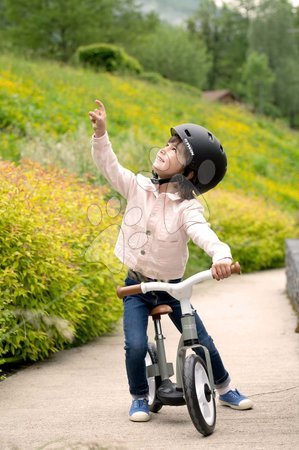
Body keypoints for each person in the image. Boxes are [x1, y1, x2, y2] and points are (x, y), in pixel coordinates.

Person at [89, 99, 253, 422]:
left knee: (201, 339)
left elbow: (202, 232)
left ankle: (224, 387)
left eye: (176, 150)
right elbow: (110, 166)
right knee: (135, 345)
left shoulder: (186, 208)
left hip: (173, 289)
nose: (165, 149)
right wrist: (101, 135)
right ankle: (139, 395)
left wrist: (221, 255)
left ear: (189, 174)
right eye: (168, 143)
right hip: (136, 285)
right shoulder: (137, 186)